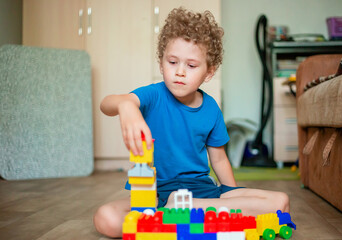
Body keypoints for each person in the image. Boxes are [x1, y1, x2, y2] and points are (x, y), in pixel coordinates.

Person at [93, 7, 290, 238]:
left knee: (281, 201)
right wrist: (126, 105)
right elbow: (107, 104)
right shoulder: (153, 95)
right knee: (106, 218)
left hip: (202, 194)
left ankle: (180, 215)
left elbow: (218, 158)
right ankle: (181, 216)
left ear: (209, 72)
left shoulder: (211, 109)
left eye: (191, 65)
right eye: (172, 62)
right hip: (154, 198)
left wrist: (233, 194)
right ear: (161, 63)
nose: (179, 72)